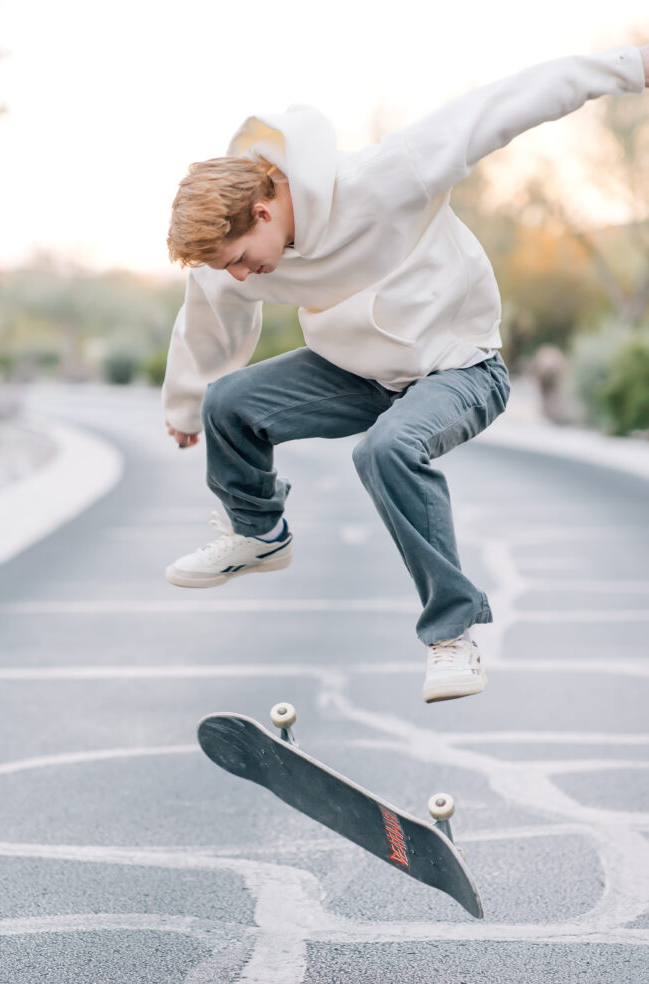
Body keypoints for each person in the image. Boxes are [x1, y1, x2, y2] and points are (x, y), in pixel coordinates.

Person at [161, 44, 649, 704]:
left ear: (266, 209)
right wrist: (187, 406)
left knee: (387, 450)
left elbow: (505, 103)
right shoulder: (238, 266)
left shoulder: (386, 175)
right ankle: (259, 534)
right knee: (229, 403)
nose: (243, 276)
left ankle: (452, 635)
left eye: (243, 258)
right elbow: (207, 320)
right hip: (358, 376)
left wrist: (628, 67)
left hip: (460, 370)